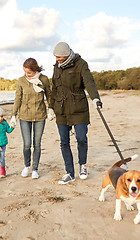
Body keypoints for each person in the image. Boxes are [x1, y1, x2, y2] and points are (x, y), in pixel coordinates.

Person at [48, 42, 102, 184]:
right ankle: (69, 173)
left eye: (59, 57)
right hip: (61, 110)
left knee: (81, 138)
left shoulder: (80, 64)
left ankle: (82, 165)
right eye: (55, 57)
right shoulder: (56, 67)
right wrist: (51, 107)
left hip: (78, 108)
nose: (57, 60)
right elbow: (55, 89)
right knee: (64, 142)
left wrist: (95, 98)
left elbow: (89, 82)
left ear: (67, 55)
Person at [10, 58, 53, 179]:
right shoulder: (21, 81)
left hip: (40, 116)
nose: (26, 74)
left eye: (29, 72)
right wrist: (14, 115)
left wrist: (51, 109)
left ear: (35, 70)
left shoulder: (43, 79)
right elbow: (18, 98)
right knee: (27, 144)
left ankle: (35, 169)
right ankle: (27, 166)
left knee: (37, 144)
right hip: (24, 116)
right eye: (25, 72)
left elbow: (49, 95)